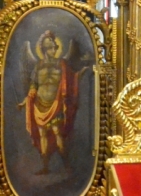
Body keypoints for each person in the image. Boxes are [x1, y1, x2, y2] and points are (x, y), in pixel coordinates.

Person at [17, 30, 91, 175]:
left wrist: (81, 72)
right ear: (44, 49)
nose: (54, 50)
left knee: (58, 133)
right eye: (50, 48)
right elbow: (33, 86)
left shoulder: (61, 64)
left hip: (56, 105)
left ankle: (66, 165)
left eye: (55, 47)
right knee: (42, 135)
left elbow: (71, 79)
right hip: (39, 105)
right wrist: (24, 102)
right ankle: (45, 166)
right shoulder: (38, 66)